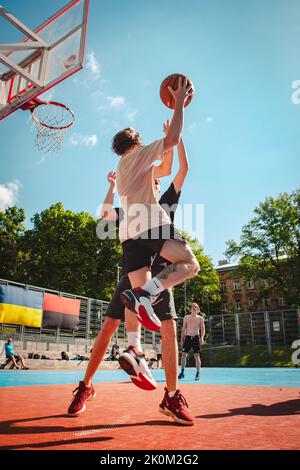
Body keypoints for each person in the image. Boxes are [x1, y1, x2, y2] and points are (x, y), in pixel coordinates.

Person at [67, 129, 195, 425]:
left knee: (169, 328)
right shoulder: (128, 207)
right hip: (136, 271)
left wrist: (176, 138)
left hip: (163, 273)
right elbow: (103, 214)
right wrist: (112, 186)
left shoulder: (164, 201)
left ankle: (172, 395)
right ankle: (86, 387)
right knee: (110, 325)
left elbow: (181, 168)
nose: (153, 174)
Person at [113, 78, 199, 338]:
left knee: (139, 301)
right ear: (136, 143)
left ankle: (134, 349)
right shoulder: (138, 154)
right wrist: (179, 105)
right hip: (150, 222)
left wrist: (166, 141)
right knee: (190, 265)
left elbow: (165, 169)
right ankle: (145, 294)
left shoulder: (123, 167)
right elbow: (173, 139)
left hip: (128, 234)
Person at [178, 303, 205, 380]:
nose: (194, 308)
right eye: (192, 307)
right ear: (190, 309)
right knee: (183, 355)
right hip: (188, 338)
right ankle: (182, 373)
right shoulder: (186, 317)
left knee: (196, 356)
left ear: (198, 309)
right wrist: (181, 339)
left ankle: (198, 374)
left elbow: (203, 329)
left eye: (195, 307)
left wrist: (202, 338)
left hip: (196, 338)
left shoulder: (200, 318)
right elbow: (183, 329)